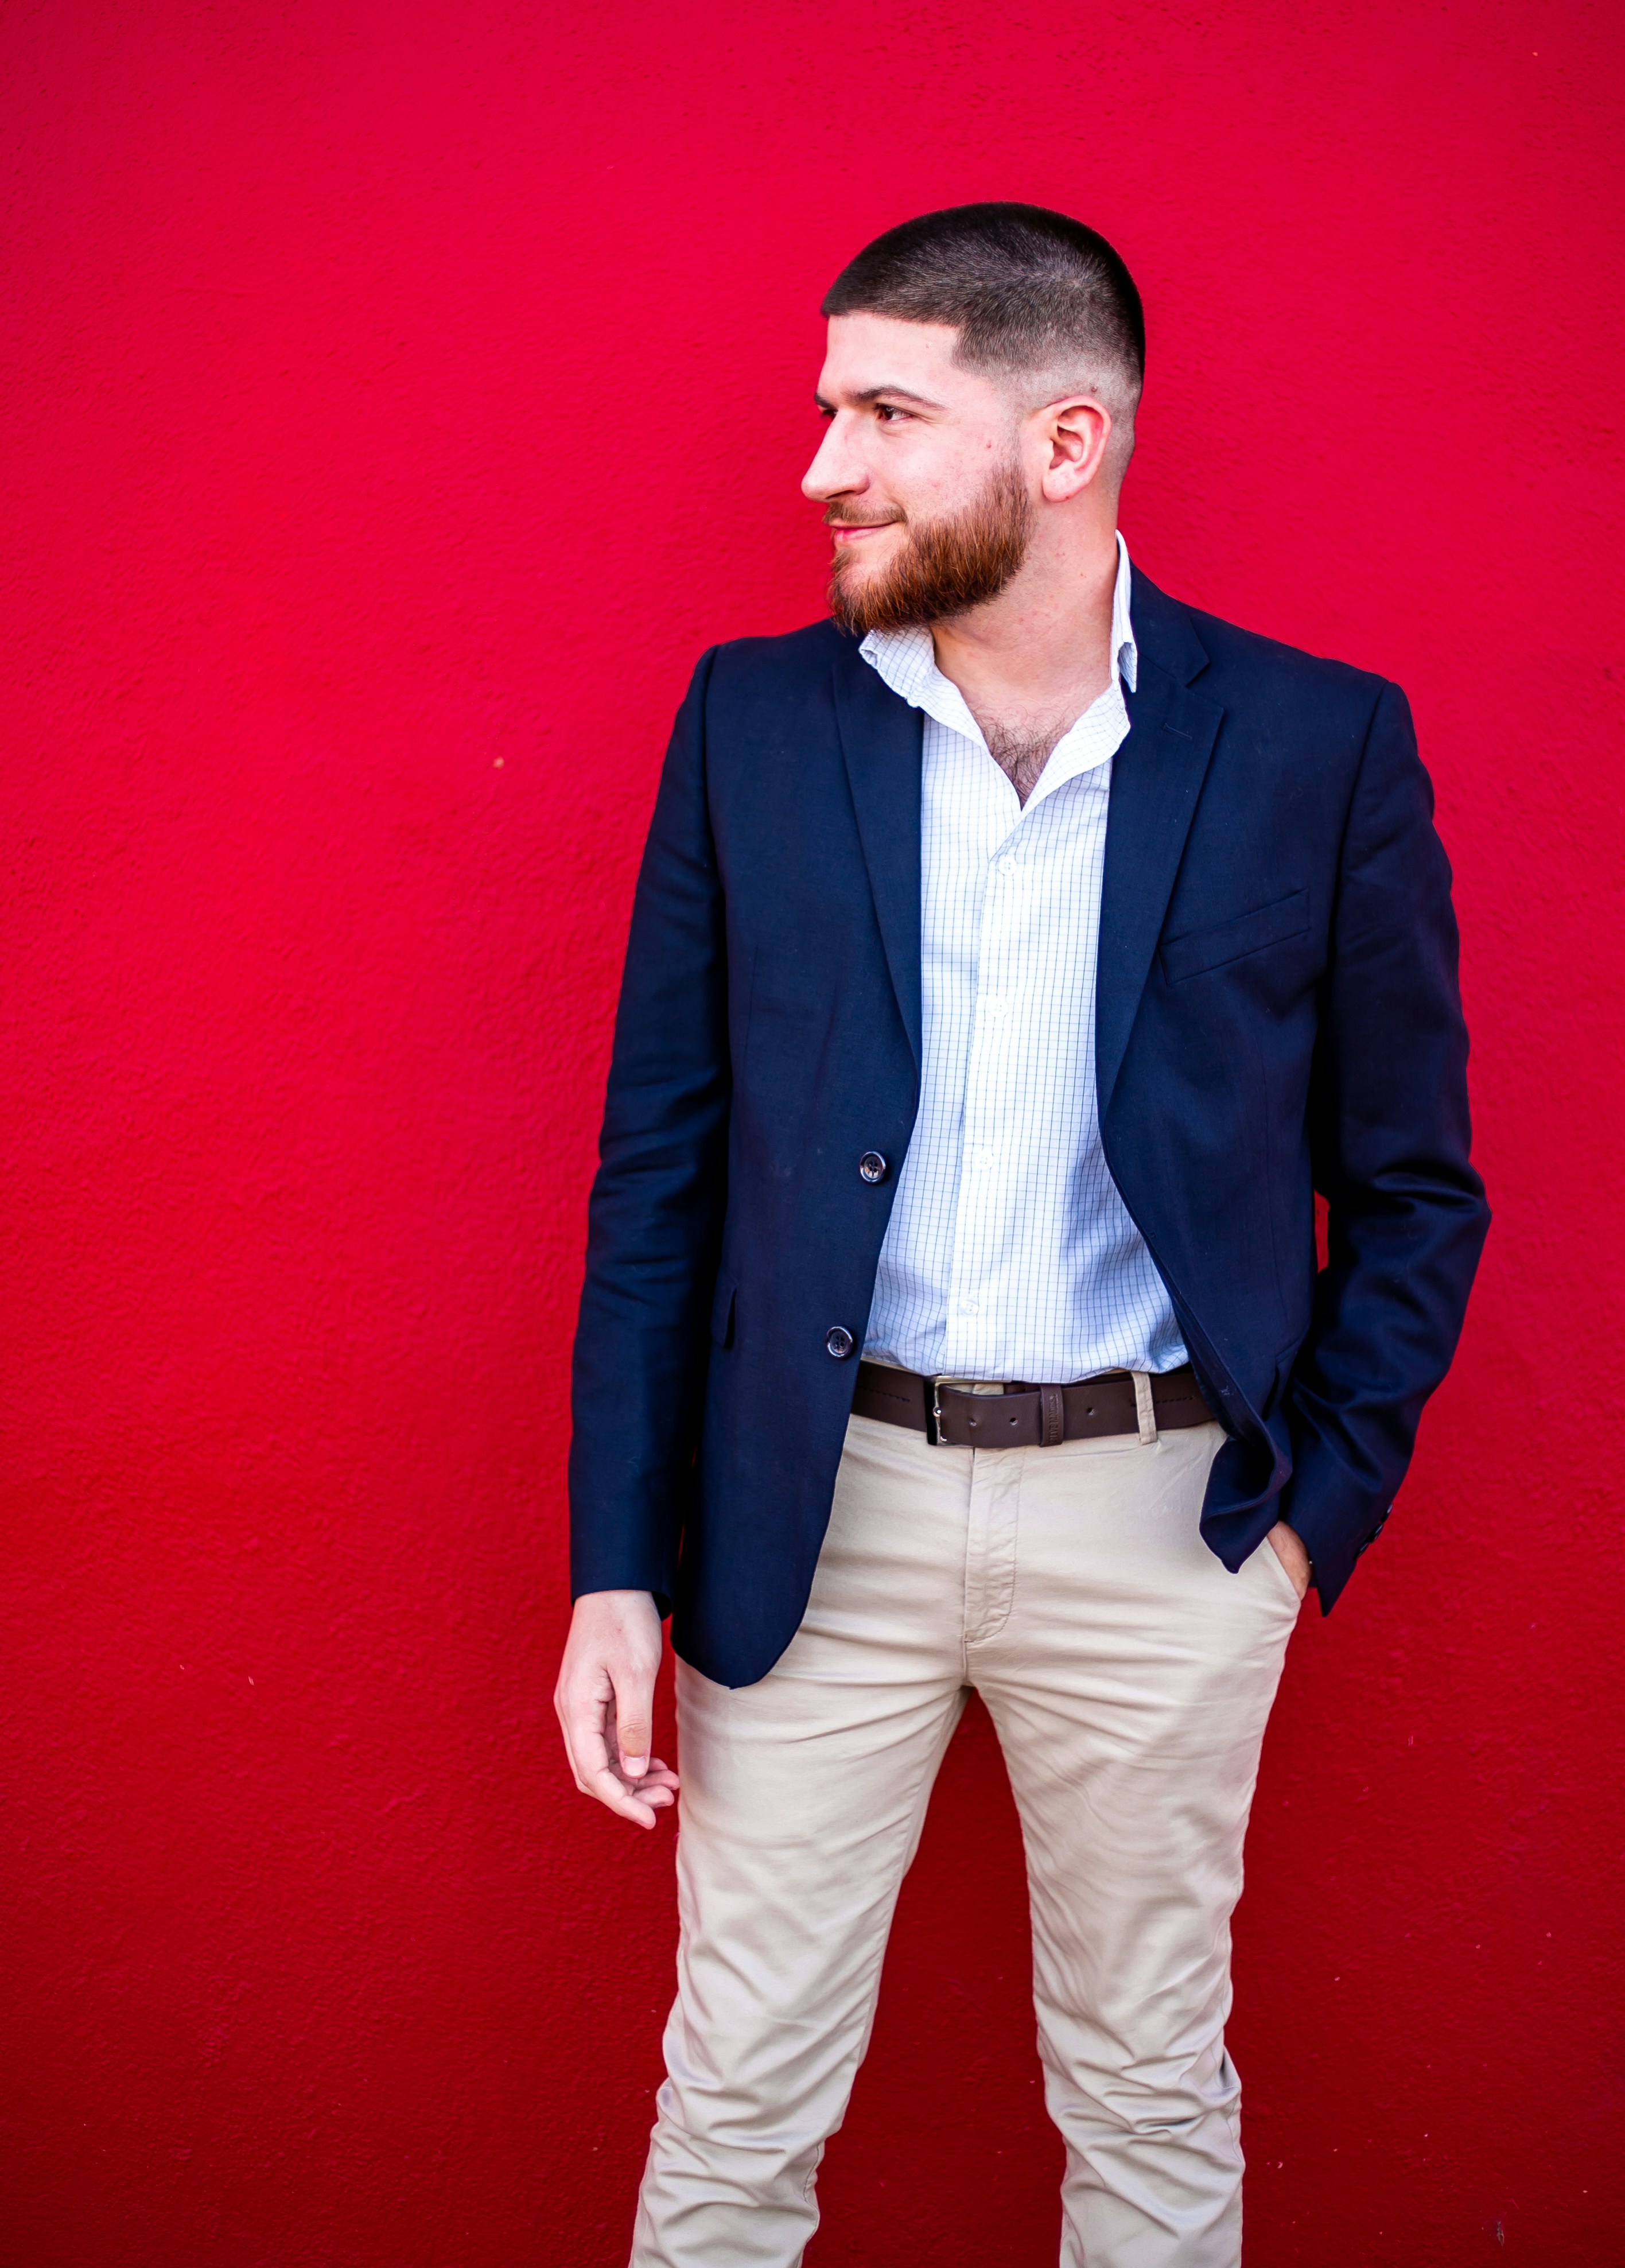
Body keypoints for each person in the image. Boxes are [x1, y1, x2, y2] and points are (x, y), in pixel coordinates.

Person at [554, 203, 1488, 2268]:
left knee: (1153, 2093)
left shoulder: (1316, 745)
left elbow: (1416, 1179)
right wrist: (616, 1561)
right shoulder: (753, 726)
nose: (824, 466)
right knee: (734, 2097)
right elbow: (661, 1174)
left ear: (1065, 445)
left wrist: (1309, 1516)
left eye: (886, 411)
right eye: (828, 408)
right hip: (816, 1514)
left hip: (1166, 1523)